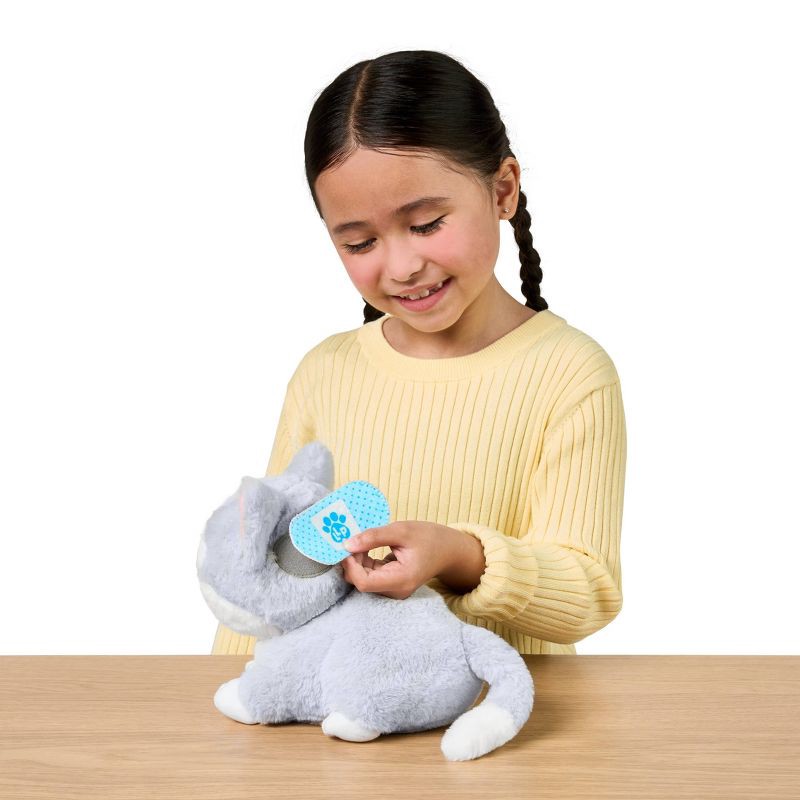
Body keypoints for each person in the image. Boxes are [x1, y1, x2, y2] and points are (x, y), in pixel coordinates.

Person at [212, 49, 627, 657]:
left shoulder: (569, 373)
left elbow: (588, 591)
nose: (402, 266)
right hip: (341, 707)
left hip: (508, 709)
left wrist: (461, 556)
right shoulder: (326, 373)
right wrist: (228, 690)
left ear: (503, 190)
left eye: (427, 224)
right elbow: (270, 571)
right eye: (360, 242)